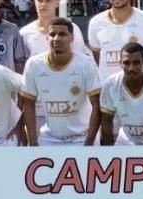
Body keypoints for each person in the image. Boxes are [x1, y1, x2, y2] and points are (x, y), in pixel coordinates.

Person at [21, 18, 102, 146]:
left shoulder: (86, 63)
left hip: (82, 138)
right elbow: (28, 103)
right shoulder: (34, 64)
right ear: (47, 37)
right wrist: (32, 142)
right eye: (52, 34)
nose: (56, 38)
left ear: (72, 38)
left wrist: (89, 143)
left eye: (62, 34)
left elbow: (96, 104)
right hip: (50, 138)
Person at [19, 0, 87, 57]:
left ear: (57, 3)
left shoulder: (72, 29)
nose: (43, 4)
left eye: (48, 0)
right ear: (35, 2)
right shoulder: (24, 33)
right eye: (40, 0)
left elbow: (80, 59)